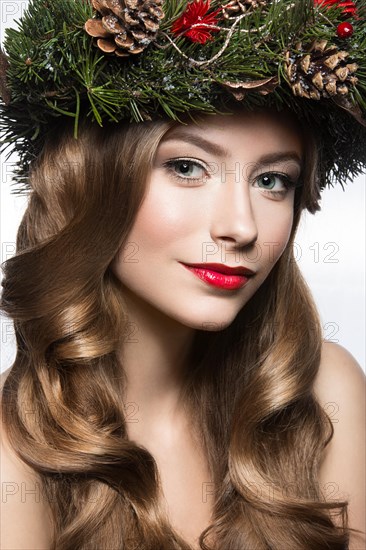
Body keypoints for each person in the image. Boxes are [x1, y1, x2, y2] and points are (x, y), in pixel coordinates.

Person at [0, 0, 365, 549]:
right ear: (90, 181)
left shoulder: (324, 389)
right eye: (187, 167)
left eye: (272, 181)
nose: (241, 227)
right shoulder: (13, 450)